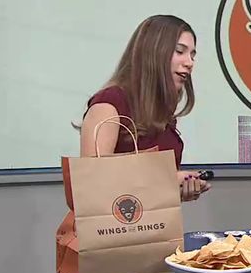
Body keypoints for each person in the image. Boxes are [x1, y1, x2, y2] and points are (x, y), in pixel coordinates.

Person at [79, 15, 210, 202]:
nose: (189, 63)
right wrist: (165, 182)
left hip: (154, 222)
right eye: (180, 51)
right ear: (153, 53)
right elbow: (92, 184)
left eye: (192, 55)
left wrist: (176, 190)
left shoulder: (162, 114)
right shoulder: (110, 103)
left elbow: (145, 195)